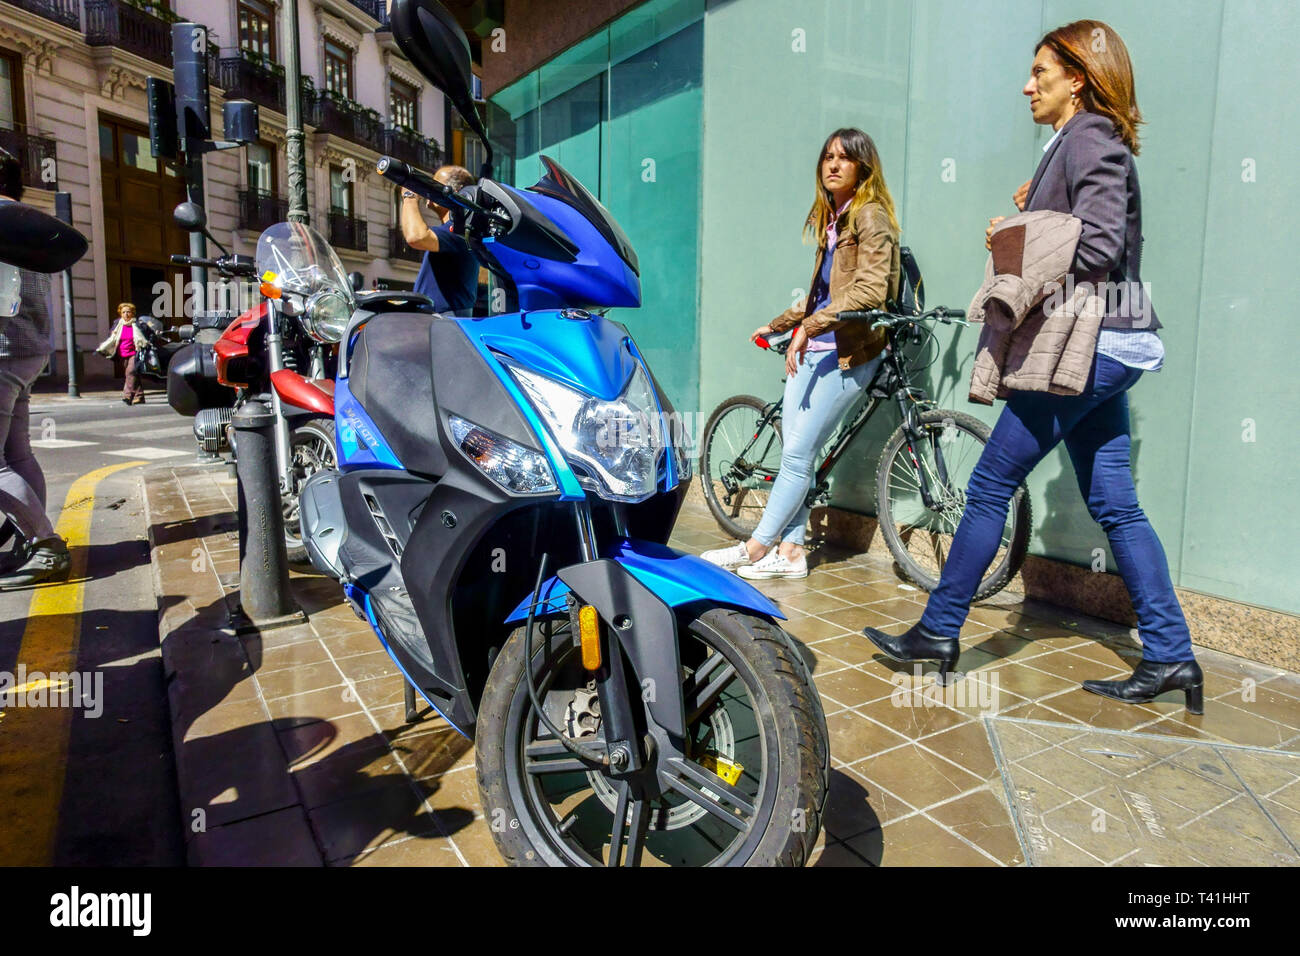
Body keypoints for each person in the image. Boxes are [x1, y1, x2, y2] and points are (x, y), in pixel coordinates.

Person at [861, 20, 1203, 713]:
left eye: (1041, 73)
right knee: (1114, 501)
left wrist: (1016, 237)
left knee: (989, 483)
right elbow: (1084, 227)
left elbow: (1099, 245)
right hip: (1111, 344)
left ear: (1078, 78)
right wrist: (1033, 213)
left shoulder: (1092, 138)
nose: (1028, 85)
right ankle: (1171, 655)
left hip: (1091, 344)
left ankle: (938, 632)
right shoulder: (1077, 144)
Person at [702, 128, 901, 580]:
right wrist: (779, 326)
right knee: (798, 453)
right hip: (814, 351)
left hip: (847, 353)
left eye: (844, 159)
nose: (832, 165)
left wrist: (807, 328)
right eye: (827, 157)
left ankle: (755, 548)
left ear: (862, 168)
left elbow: (871, 289)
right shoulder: (834, 217)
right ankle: (791, 552)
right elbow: (821, 294)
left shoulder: (870, 216)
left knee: (795, 456)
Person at [0, 150, 69, 586]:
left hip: (2, 349)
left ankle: (45, 545)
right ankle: (32, 542)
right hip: (27, 349)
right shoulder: (29, 221)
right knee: (17, 454)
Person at [397, 164, 479, 316]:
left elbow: (416, 237)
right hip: (439, 321)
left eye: (434, 184)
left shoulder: (459, 232)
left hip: (445, 323)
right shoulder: (455, 231)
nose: (428, 189)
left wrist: (410, 197)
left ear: (454, 192)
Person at [96, 302, 148, 405]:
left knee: (130, 372)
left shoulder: (137, 324)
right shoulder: (117, 324)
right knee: (133, 375)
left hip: (135, 352)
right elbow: (112, 338)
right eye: (124, 312)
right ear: (120, 313)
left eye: (128, 312)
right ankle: (140, 396)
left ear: (132, 313)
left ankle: (127, 396)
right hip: (122, 353)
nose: (126, 314)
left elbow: (146, 335)